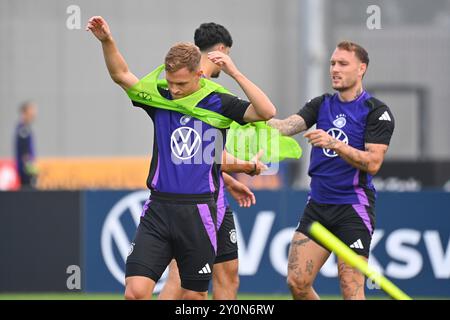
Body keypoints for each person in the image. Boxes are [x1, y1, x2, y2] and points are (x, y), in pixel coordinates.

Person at [86, 16, 276, 300]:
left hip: (199, 211)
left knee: (192, 296)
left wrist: (235, 73)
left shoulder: (219, 103)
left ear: (198, 74)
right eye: (170, 82)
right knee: (135, 293)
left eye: (181, 83)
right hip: (159, 208)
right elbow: (121, 75)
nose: (174, 89)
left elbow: (266, 111)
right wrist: (107, 41)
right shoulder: (160, 97)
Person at [268, 41, 395, 300]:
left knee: (351, 287)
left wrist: (333, 143)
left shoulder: (377, 112)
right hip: (318, 206)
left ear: (361, 69)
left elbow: (373, 163)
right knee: (297, 282)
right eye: (332, 63)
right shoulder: (321, 104)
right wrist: (238, 111)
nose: (335, 69)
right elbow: (283, 127)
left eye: (342, 64)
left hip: (352, 208)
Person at [159, 22, 268, 300]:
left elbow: (203, 156)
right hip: (190, 203)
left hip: (216, 196)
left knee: (228, 275)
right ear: (222, 50)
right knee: (182, 281)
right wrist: (245, 166)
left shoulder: (211, 94)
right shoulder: (192, 92)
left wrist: (228, 180)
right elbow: (194, 152)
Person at [14, 101, 38, 189]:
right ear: (25, 112)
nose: (34, 113)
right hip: (25, 172)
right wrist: (31, 170)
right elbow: (25, 155)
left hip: (26, 170)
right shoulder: (23, 130)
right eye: (32, 110)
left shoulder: (25, 128)